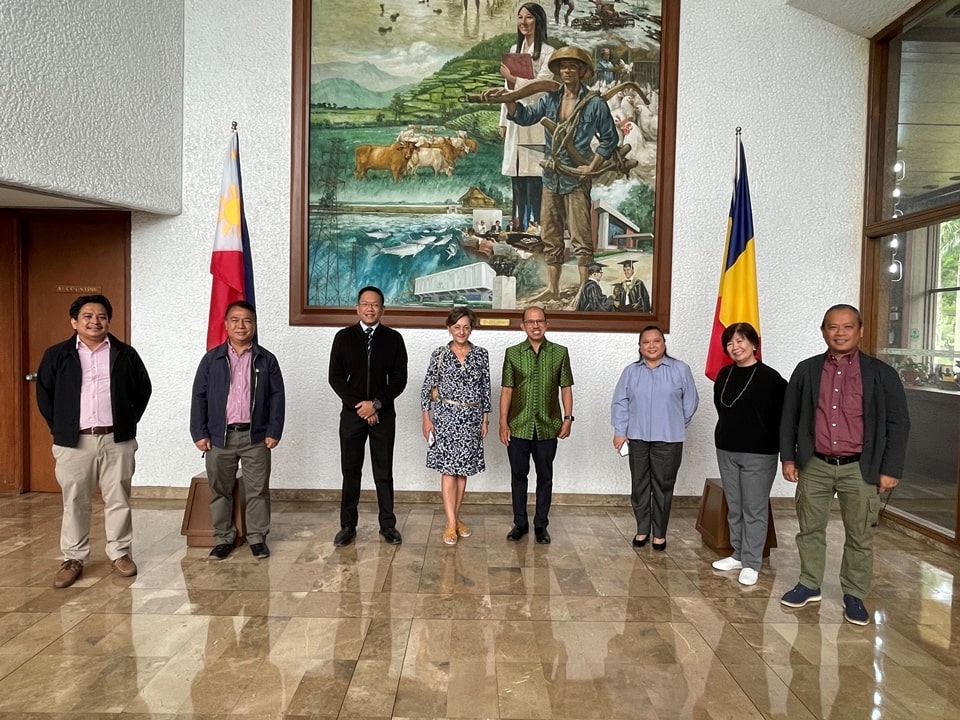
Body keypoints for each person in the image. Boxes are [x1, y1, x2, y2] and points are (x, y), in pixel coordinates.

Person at [779, 304, 910, 625]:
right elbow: (789, 418)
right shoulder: (806, 370)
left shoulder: (881, 374)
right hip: (815, 465)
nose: (840, 333)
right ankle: (809, 584)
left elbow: (899, 423)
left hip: (861, 468)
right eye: (833, 327)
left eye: (847, 327)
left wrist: (890, 469)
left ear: (860, 330)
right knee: (809, 529)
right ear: (823, 331)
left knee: (860, 534)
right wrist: (789, 457)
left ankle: (854, 593)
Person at [36, 294, 152, 588]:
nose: (95, 321)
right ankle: (73, 558)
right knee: (75, 500)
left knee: (119, 498)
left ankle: (119, 553)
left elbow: (143, 390)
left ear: (109, 321)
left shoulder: (125, 354)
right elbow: (45, 395)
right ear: (74, 322)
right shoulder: (57, 355)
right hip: (74, 442)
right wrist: (61, 427)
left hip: (117, 439)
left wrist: (126, 421)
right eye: (87, 316)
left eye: (101, 316)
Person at [504, 46, 619, 301]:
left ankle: (583, 290)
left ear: (581, 71)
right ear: (558, 71)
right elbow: (524, 116)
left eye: (572, 66)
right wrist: (508, 100)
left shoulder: (594, 104)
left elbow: (610, 139)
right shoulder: (550, 99)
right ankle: (553, 289)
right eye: (563, 67)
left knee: (580, 235)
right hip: (551, 177)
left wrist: (591, 167)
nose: (567, 71)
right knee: (551, 234)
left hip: (577, 177)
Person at [190, 301, 285, 561]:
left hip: (256, 437)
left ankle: (257, 537)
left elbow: (277, 397)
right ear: (226, 324)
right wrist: (199, 432)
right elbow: (199, 396)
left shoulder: (266, 359)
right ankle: (223, 538)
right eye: (235, 320)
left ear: (254, 325)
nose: (241, 326)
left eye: (246, 321)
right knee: (220, 490)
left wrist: (274, 430)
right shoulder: (212, 359)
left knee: (257, 490)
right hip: (220, 437)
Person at [329, 286, 408, 546]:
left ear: (383, 309)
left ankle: (388, 525)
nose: (370, 308)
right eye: (365, 304)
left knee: (383, 472)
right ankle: (348, 526)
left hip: (383, 415)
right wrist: (361, 407)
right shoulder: (343, 337)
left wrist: (376, 404)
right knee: (350, 471)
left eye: (375, 304)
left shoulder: (393, 339)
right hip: (352, 416)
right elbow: (336, 378)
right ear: (357, 307)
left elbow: (399, 379)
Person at [710, 323, 786, 586]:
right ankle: (738, 553)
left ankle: (752, 562)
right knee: (735, 505)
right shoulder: (723, 375)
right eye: (730, 343)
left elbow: (784, 417)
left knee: (754, 507)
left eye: (741, 341)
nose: (735, 347)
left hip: (759, 452)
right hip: (727, 448)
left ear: (754, 344)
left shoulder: (771, 378)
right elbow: (722, 408)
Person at [611, 326, 698, 551]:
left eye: (656, 341)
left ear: (664, 344)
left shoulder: (680, 369)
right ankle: (642, 530)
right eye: (646, 342)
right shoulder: (631, 372)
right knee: (639, 486)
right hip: (637, 438)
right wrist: (620, 431)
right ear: (639, 347)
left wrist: (675, 423)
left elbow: (690, 403)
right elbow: (620, 402)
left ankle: (659, 534)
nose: (651, 345)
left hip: (669, 440)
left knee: (662, 487)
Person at [500, 306, 574, 544]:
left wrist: (567, 418)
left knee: (545, 477)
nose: (535, 325)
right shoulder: (512, 353)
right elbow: (507, 390)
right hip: (518, 425)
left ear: (547, 324)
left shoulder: (560, 353)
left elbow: (566, 388)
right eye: (530, 322)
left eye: (539, 321)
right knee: (518, 476)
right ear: (523, 326)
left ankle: (541, 525)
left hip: (548, 425)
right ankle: (519, 523)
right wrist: (503, 422)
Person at [420, 308, 491, 545]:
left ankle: (456, 518)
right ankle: (451, 523)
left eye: (466, 327)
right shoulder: (439, 354)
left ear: (472, 328)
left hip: (471, 418)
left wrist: (485, 418)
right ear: (449, 327)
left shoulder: (481, 354)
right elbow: (426, 387)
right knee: (448, 470)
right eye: (457, 326)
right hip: (446, 417)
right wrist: (426, 418)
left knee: (463, 471)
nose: (461, 331)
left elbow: (485, 389)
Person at [499, 3, 555, 232]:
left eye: (529, 17)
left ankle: (537, 226)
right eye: (520, 17)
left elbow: (542, 86)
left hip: (535, 119)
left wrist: (513, 78)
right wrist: (503, 120)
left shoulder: (549, 53)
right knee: (517, 175)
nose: (523, 22)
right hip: (515, 119)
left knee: (534, 175)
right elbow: (507, 90)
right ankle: (518, 226)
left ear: (538, 21)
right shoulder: (515, 49)